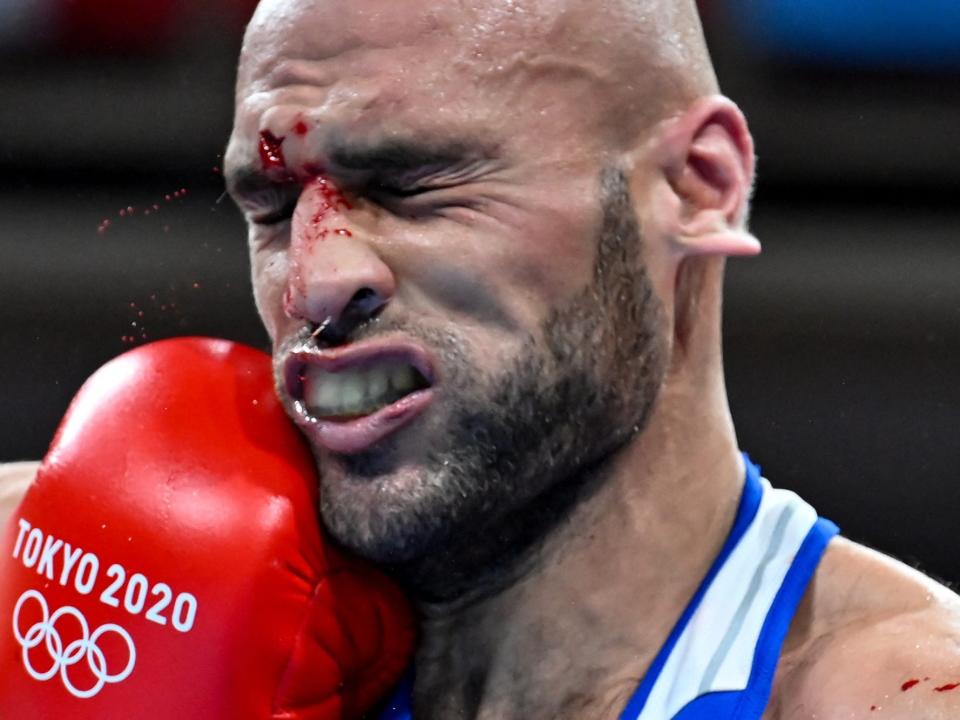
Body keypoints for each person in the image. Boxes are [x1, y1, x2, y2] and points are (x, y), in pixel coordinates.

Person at [4, 0, 960, 717]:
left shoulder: (898, 694)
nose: (313, 280)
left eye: (416, 188)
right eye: (272, 208)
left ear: (696, 186)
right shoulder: (65, 580)